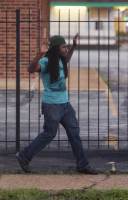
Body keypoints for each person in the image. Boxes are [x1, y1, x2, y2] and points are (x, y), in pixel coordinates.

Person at [16, 34, 98, 174]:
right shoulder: (46, 61)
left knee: (74, 134)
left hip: (65, 104)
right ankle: (24, 156)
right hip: (52, 105)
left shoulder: (60, 59)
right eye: (63, 47)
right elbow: (30, 69)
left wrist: (73, 46)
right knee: (49, 134)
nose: (65, 49)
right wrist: (40, 53)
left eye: (66, 47)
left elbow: (66, 59)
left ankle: (82, 165)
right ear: (55, 48)